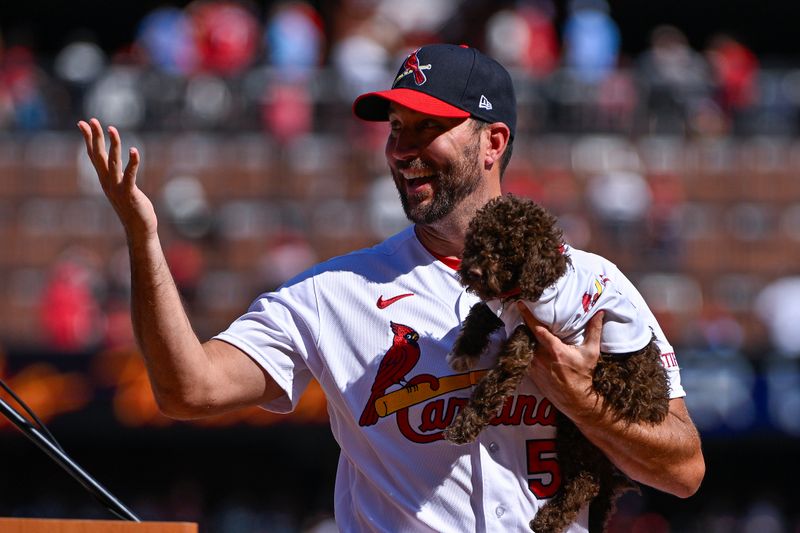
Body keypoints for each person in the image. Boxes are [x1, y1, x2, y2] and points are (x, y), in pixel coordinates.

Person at [78, 43, 704, 532]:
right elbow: (188, 390)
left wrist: (582, 401)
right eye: (395, 127)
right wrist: (144, 238)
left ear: (493, 142)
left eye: (425, 127)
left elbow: (684, 470)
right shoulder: (333, 293)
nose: (402, 148)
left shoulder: (588, 284)